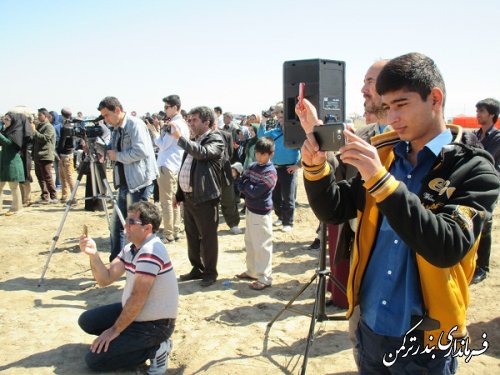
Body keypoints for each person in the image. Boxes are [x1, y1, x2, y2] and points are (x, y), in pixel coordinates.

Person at [296, 52, 499, 373]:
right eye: (387, 107)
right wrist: (315, 166)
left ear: (435, 98)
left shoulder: (474, 169)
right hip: (371, 327)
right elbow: (334, 209)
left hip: (427, 339)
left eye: (401, 105)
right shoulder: (385, 152)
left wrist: (380, 181)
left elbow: (446, 247)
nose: (392, 118)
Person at [78, 201, 178, 374]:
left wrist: (114, 330)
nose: (126, 225)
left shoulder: (150, 252)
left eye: (131, 222)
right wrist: (93, 255)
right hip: (137, 314)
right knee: (87, 321)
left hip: (155, 325)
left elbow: (138, 298)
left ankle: (155, 349)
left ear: (147, 228)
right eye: (127, 220)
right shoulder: (131, 248)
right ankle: (130, 342)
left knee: (94, 362)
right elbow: (105, 279)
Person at [100, 96, 158, 261]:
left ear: (117, 110)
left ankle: (138, 260)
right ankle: (117, 261)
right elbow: (115, 150)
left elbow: (141, 152)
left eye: (106, 115)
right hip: (125, 181)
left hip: (139, 182)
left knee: (135, 225)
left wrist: (117, 155)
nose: (106, 120)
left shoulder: (135, 125)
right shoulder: (116, 128)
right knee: (117, 224)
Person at [173, 106, 224, 287]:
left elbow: (202, 154)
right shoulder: (194, 141)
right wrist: (179, 194)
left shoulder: (216, 139)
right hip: (189, 198)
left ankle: (210, 272)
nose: (190, 123)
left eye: (194, 120)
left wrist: (181, 139)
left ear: (206, 122)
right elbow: (185, 168)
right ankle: (197, 268)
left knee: (208, 237)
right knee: (192, 236)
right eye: (190, 120)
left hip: (205, 198)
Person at [147, 95, 189, 243]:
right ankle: (175, 230)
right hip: (176, 165)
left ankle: (169, 233)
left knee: (167, 201)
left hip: (167, 165)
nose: (165, 110)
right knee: (175, 200)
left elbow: (162, 144)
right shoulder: (183, 123)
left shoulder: (173, 125)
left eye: (167, 107)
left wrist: (154, 131)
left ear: (175, 107)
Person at [236, 137, 277, 290]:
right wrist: (246, 184)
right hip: (250, 209)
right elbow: (241, 184)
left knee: (262, 245)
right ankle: (252, 271)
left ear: (270, 154)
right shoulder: (253, 166)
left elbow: (254, 192)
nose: (259, 156)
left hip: (261, 212)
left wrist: (245, 184)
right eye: (258, 153)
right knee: (251, 242)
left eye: (263, 154)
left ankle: (265, 278)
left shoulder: (270, 172)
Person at [258, 103, 300, 232]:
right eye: (277, 114)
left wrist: (297, 165)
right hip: (274, 168)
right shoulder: (274, 131)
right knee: (275, 195)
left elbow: (304, 149)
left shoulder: (296, 132)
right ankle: (280, 217)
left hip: (289, 169)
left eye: (282, 114)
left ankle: (288, 222)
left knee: (288, 197)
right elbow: (261, 137)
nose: (279, 117)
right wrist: (263, 121)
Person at [472, 97, 500, 283]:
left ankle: (483, 267)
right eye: (477, 111)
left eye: (481, 111)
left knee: (485, 223)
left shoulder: (498, 139)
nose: (478, 115)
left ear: (492, 115)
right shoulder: (474, 135)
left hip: (489, 186)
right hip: (472, 184)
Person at [0, 112, 26, 215]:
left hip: (12, 162)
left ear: (13, 121)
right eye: (4, 119)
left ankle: (17, 208)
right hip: (4, 161)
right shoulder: (5, 130)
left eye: (7, 119)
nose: (4, 121)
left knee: (14, 187)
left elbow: (9, 143)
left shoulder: (16, 132)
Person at [32, 108, 57, 203]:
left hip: (45, 155)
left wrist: (34, 131)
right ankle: (45, 196)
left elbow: (44, 139)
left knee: (47, 177)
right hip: (38, 155)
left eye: (39, 115)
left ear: (45, 116)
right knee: (40, 177)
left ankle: (54, 196)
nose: (38, 117)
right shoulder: (40, 126)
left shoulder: (49, 127)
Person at [57, 108, 76, 203]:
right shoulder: (72, 125)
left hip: (65, 154)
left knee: (68, 177)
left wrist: (58, 150)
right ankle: (65, 195)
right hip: (68, 153)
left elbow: (62, 141)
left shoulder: (66, 126)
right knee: (63, 176)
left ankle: (74, 197)